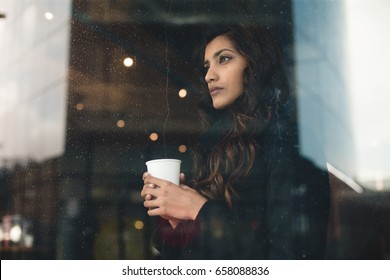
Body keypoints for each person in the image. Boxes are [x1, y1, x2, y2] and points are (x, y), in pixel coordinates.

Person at [141, 24, 330, 259]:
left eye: (224, 59)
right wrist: (175, 219)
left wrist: (197, 209)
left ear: (254, 65)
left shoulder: (286, 140)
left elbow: (290, 258)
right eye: (207, 66)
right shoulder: (215, 146)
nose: (210, 75)